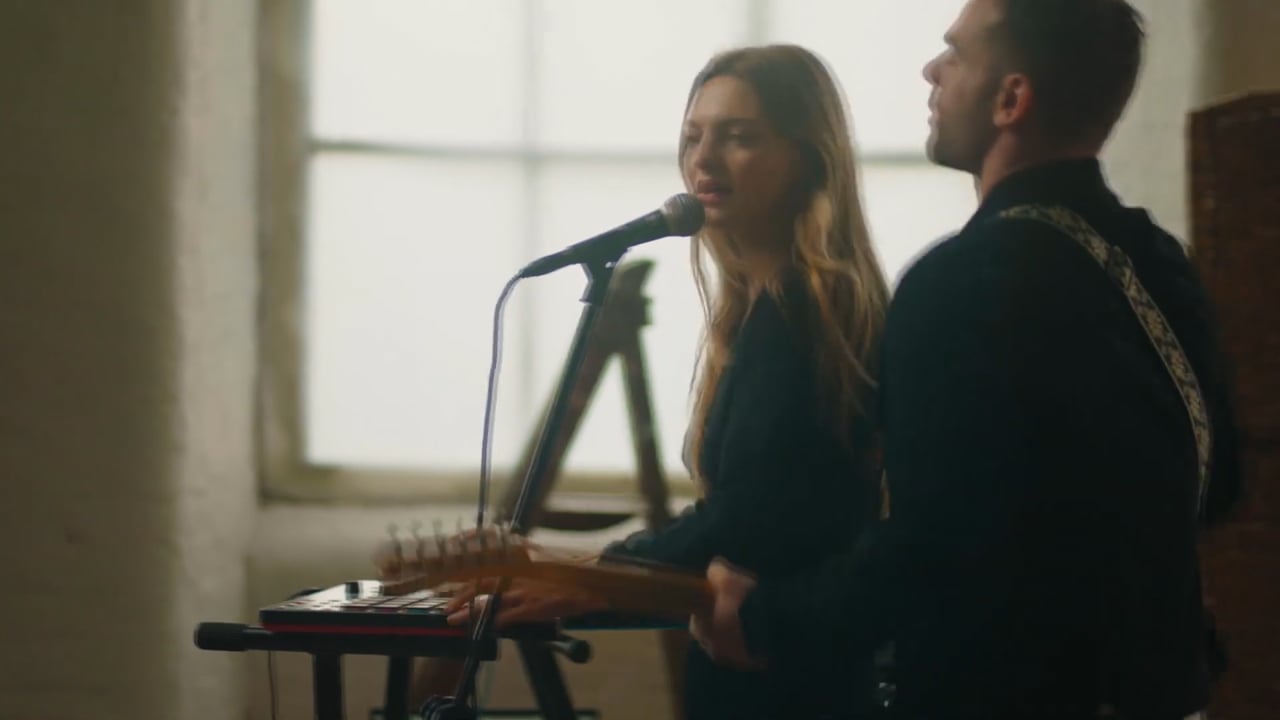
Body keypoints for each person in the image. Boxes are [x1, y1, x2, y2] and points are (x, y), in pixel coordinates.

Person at [691, 1, 1243, 719]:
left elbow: (930, 548)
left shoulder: (964, 282)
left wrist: (770, 621)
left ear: (1011, 99)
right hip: (1161, 692)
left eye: (955, 54)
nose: (933, 70)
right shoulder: (1160, 262)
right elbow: (1220, 484)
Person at [444, 44, 891, 719]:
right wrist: (582, 568)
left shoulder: (805, 308)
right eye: (692, 137)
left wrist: (595, 577)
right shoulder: (764, 306)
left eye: (738, 137)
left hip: (787, 678)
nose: (703, 160)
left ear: (808, 157)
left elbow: (752, 518)